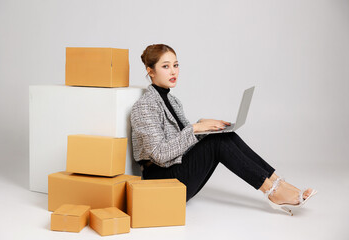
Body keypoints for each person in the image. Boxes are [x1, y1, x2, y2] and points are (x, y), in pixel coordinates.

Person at [130, 44, 317, 216]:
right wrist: (196, 129)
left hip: (176, 172)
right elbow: (160, 153)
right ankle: (272, 192)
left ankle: (278, 183)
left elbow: (182, 142)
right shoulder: (145, 106)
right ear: (150, 71)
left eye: (176, 65)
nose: (173, 71)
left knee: (225, 135)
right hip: (161, 181)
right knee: (216, 143)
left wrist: (204, 126)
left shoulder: (173, 101)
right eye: (166, 66)